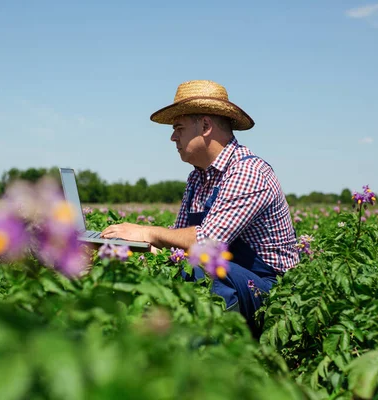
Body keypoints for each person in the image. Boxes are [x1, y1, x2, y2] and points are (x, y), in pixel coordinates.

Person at [101, 80, 299, 335]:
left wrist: (145, 232)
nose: (173, 137)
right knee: (177, 267)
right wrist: (133, 250)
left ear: (205, 126)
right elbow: (179, 247)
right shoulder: (198, 177)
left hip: (269, 291)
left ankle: (215, 357)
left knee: (202, 269)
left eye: (179, 128)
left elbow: (206, 243)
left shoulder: (247, 172)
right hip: (234, 278)